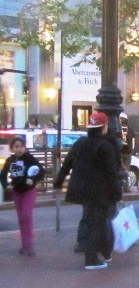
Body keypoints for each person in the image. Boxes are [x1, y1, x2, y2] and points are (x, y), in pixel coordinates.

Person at [54, 112, 123, 269]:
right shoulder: (105, 146)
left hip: (81, 190)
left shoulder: (80, 143)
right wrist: (117, 193)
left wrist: (58, 183)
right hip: (100, 192)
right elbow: (111, 172)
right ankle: (91, 258)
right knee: (97, 223)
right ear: (104, 127)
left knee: (90, 220)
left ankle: (93, 252)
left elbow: (67, 164)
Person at [1, 136, 44, 256]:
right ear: (12, 148)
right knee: (21, 218)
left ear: (24, 147)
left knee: (26, 216)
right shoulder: (10, 160)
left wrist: (33, 179)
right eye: (16, 146)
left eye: (21, 146)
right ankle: (24, 245)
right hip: (16, 191)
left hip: (28, 190)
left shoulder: (29, 158)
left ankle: (29, 246)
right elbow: (3, 175)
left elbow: (41, 171)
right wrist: (6, 186)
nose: (19, 149)